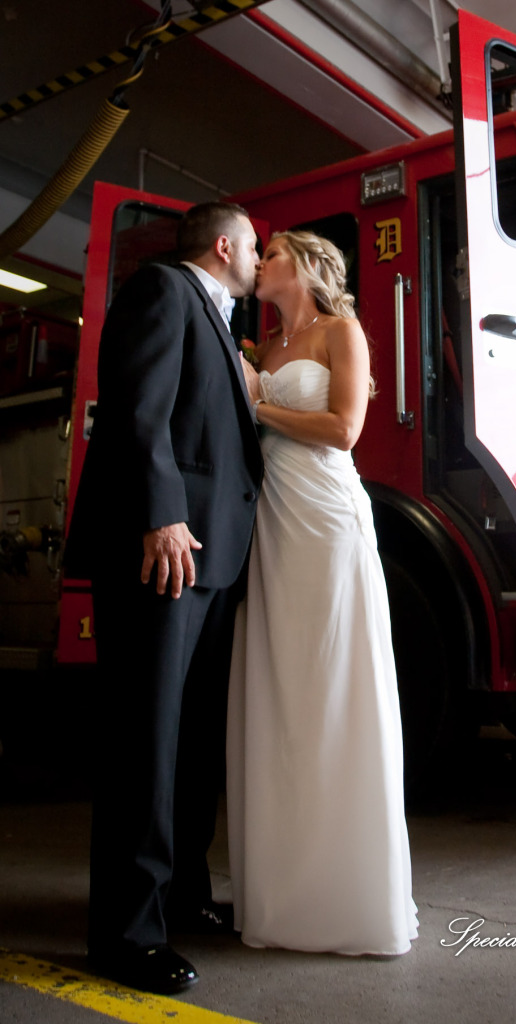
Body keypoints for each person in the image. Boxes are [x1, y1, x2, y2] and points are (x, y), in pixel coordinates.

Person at [64, 202, 264, 994]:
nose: (260, 256)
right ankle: (125, 933)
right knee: (145, 745)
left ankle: (181, 897)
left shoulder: (215, 315)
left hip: (211, 559)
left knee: (191, 745)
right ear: (223, 246)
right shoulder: (163, 290)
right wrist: (163, 514)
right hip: (166, 554)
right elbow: (137, 414)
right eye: (253, 245)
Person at [227, 230, 418, 956]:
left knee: (335, 682)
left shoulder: (343, 331)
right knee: (283, 692)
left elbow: (342, 429)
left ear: (305, 266)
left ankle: (349, 892)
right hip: (273, 522)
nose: (260, 264)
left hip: (327, 516)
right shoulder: (263, 349)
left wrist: (257, 406)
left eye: (270, 254)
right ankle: (284, 885)